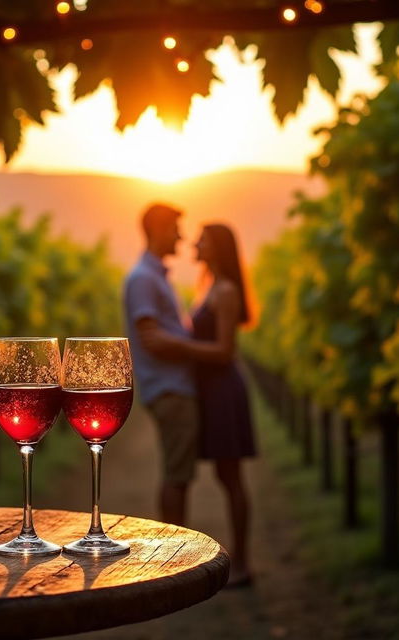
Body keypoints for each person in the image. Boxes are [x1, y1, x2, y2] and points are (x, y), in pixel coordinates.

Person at [141, 222, 256, 587]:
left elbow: (225, 352)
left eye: (203, 239)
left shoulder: (224, 290)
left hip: (223, 391)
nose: (195, 243)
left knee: (230, 476)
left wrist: (174, 345)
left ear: (218, 247)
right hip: (208, 390)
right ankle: (209, 558)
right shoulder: (210, 287)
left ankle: (242, 563)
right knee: (226, 476)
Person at [123, 203, 198, 527]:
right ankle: (178, 550)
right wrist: (205, 350)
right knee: (177, 476)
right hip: (170, 388)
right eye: (175, 228)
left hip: (173, 387)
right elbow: (151, 338)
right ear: (157, 229)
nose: (181, 237)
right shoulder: (143, 279)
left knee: (178, 474)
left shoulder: (154, 276)